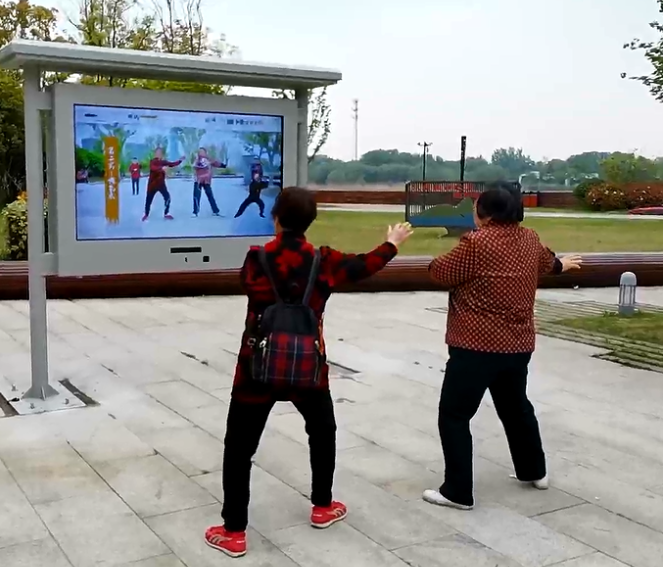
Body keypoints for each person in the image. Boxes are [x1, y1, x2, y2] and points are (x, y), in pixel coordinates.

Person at [205, 187, 413, 558]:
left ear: (275, 218)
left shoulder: (256, 259)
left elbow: (249, 288)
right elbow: (363, 266)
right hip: (307, 369)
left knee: (239, 449)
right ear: (310, 221)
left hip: (256, 368)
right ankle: (322, 506)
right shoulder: (324, 261)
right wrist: (391, 243)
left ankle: (233, 531)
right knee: (322, 432)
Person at [422, 181, 582, 511]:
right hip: (517, 345)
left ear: (484, 214)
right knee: (516, 408)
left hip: (475, 346)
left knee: (454, 415)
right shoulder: (529, 238)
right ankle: (534, 471)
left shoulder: (476, 243)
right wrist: (562, 265)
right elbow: (549, 263)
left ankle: (457, 492)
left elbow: (440, 272)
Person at [143, 148, 184, 221]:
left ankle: (166, 213)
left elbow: (172, 164)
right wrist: (162, 168)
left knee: (167, 198)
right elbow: (153, 168)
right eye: (157, 153)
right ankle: (146, 214)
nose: (159, 154)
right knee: (148, 200)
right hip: (152, 185)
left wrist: (180, 160)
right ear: (155, 154)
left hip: (161, 184)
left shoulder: (163, 162)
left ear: (162, 154)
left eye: (160, 153)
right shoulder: (152, 162)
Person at [193, 147, 226, 217]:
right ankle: (195, 212)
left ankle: (215, 211)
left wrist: (223, 165)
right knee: (196, 196)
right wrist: (198, 160)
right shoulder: (197, 160)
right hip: (198, 180)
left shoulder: (209, 160)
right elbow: (195, 166)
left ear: (205, 153)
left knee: (210, 195)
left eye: (202, 152)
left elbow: (216, 163)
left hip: (206, 181)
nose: (201, 153)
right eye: (200, 152)